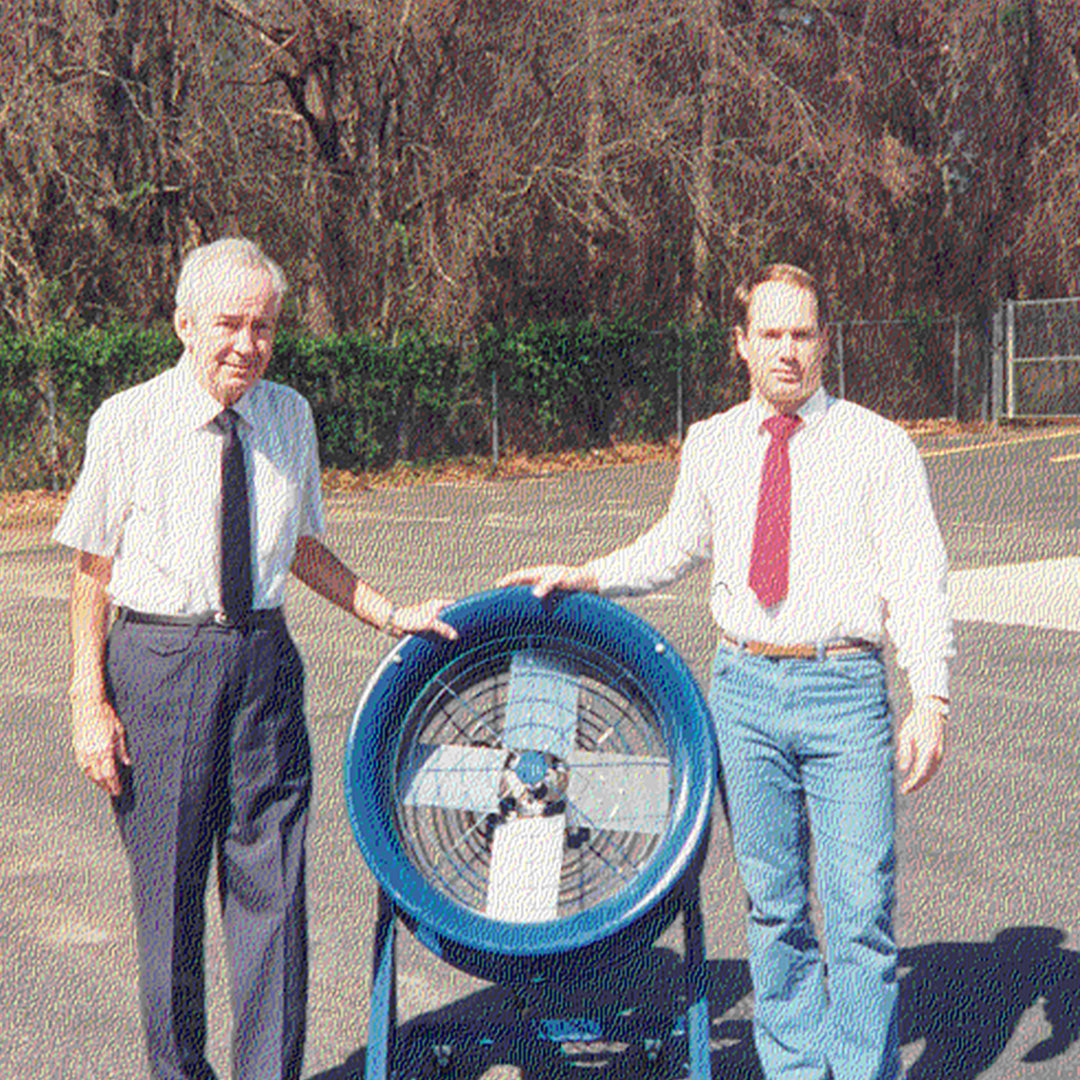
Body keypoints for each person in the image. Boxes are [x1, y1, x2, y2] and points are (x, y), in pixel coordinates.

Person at [498, 263, 953, 1080]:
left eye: (803, 334)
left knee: (860, 917)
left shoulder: (876, 445)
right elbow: (674, 546)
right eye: (770, 334)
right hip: (743, 693)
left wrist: (931, 696)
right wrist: (587, 576)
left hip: (844, 691)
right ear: (740, 345)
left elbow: (917, 579)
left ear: (824, 342)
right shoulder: (711, 444)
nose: (788, 351)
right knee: (774, 910)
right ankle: (794, 1070)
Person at [53, 237, 458, 1080]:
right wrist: (89, 703)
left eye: (264, 327)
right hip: (159, 665)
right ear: (184, 324)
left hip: (264, 667)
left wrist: (387, 613)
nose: (247, 344)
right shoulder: (126, 419)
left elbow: (301, 546)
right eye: (229, 324)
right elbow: (91, 569)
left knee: (273, 892)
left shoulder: (289, 416)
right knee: (168, 900)